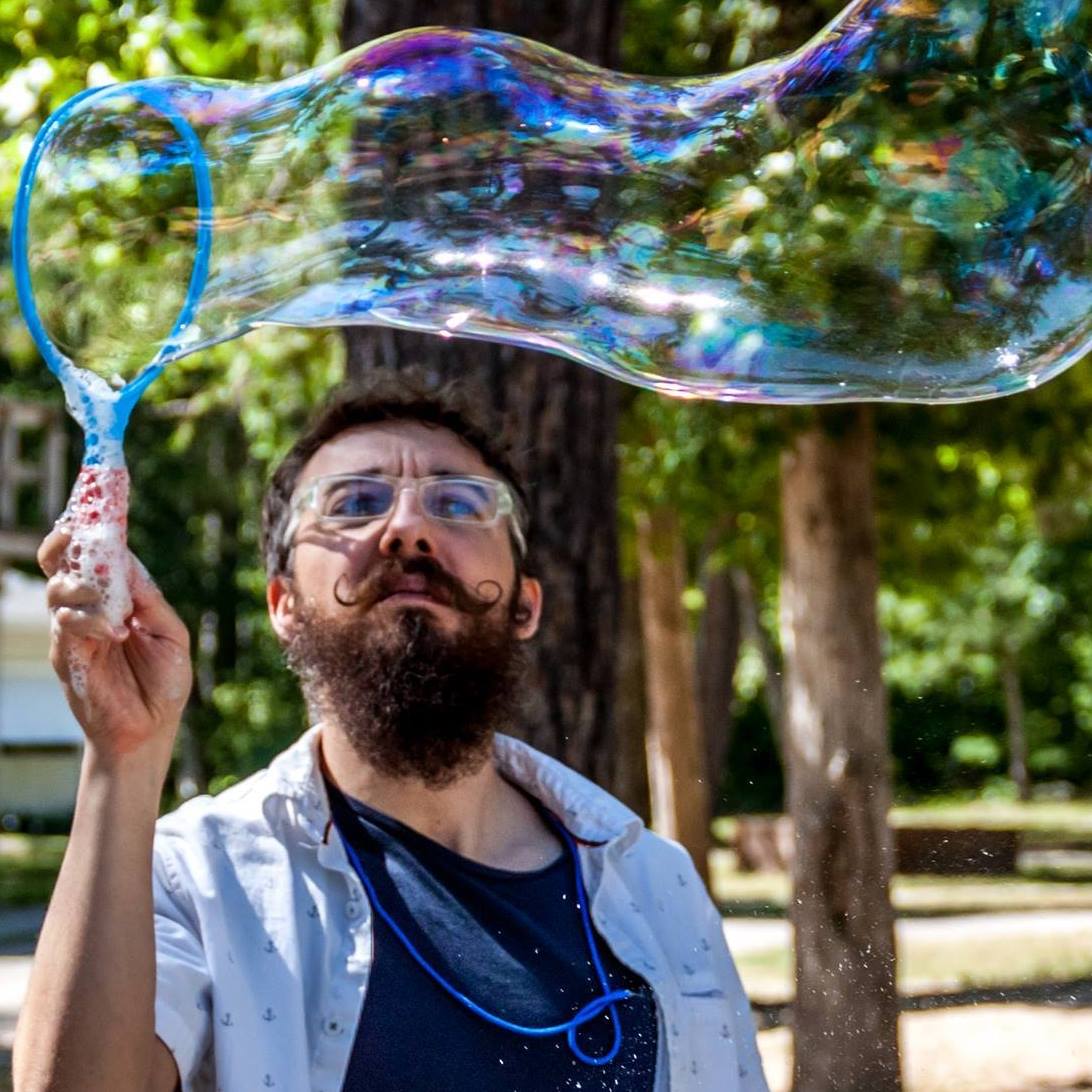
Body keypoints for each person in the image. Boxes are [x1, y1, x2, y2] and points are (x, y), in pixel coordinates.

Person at [15, 372, 768, 1092]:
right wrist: (123, 756)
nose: (407, 529)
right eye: (353, 502)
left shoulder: (655, 883)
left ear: (524, 605)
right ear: (283, 604)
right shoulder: (199, 880)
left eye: (460, 504)